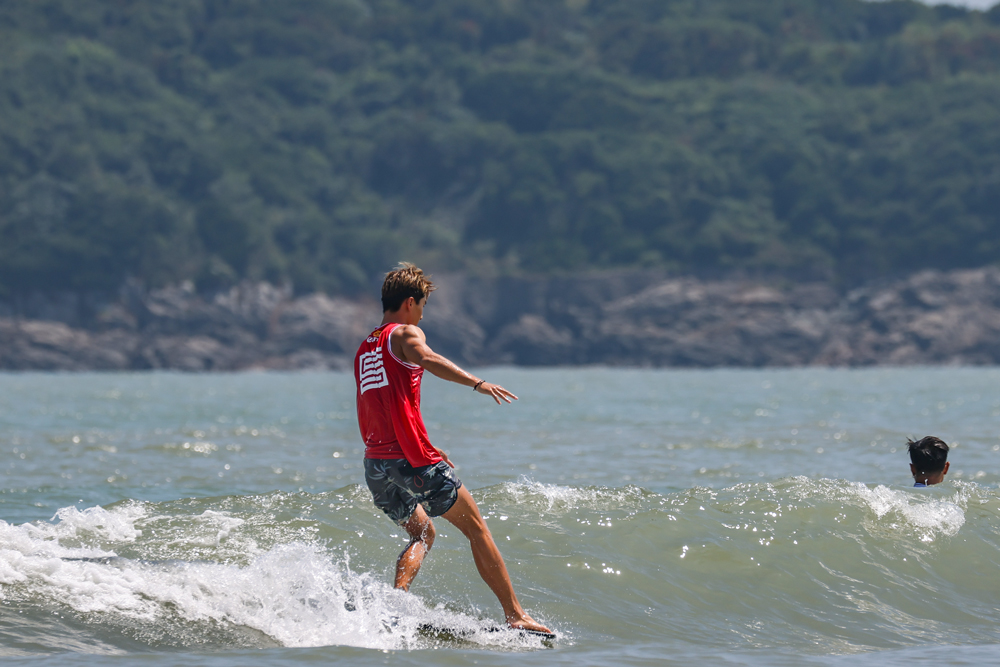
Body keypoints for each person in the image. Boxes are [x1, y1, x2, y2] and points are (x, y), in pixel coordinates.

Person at [354, 262, 550, 634]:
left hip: (377, 467)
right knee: (477, 529)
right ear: (410, 302)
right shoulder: (406, 333)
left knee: (423, 534)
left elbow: (384, 405)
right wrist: (478, 383)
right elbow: (427, 359)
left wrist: (429, 444)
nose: (424, 314)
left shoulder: (366, 347)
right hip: (411, 462)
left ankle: (396, 604)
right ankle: (516, 617)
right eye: (424, 305)